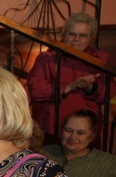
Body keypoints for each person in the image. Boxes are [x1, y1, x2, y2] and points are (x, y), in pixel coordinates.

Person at [28, 12, 111, 141]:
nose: (76, 39)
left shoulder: (100, 59)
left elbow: (109, 92)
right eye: (71, 34)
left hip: (85, 132)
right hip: (51, 128)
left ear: (91, 38)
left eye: (82, 35)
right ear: (64, 35)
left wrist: (91, 88)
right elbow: (36, 89)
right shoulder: (47, 58)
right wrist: (68, 87)